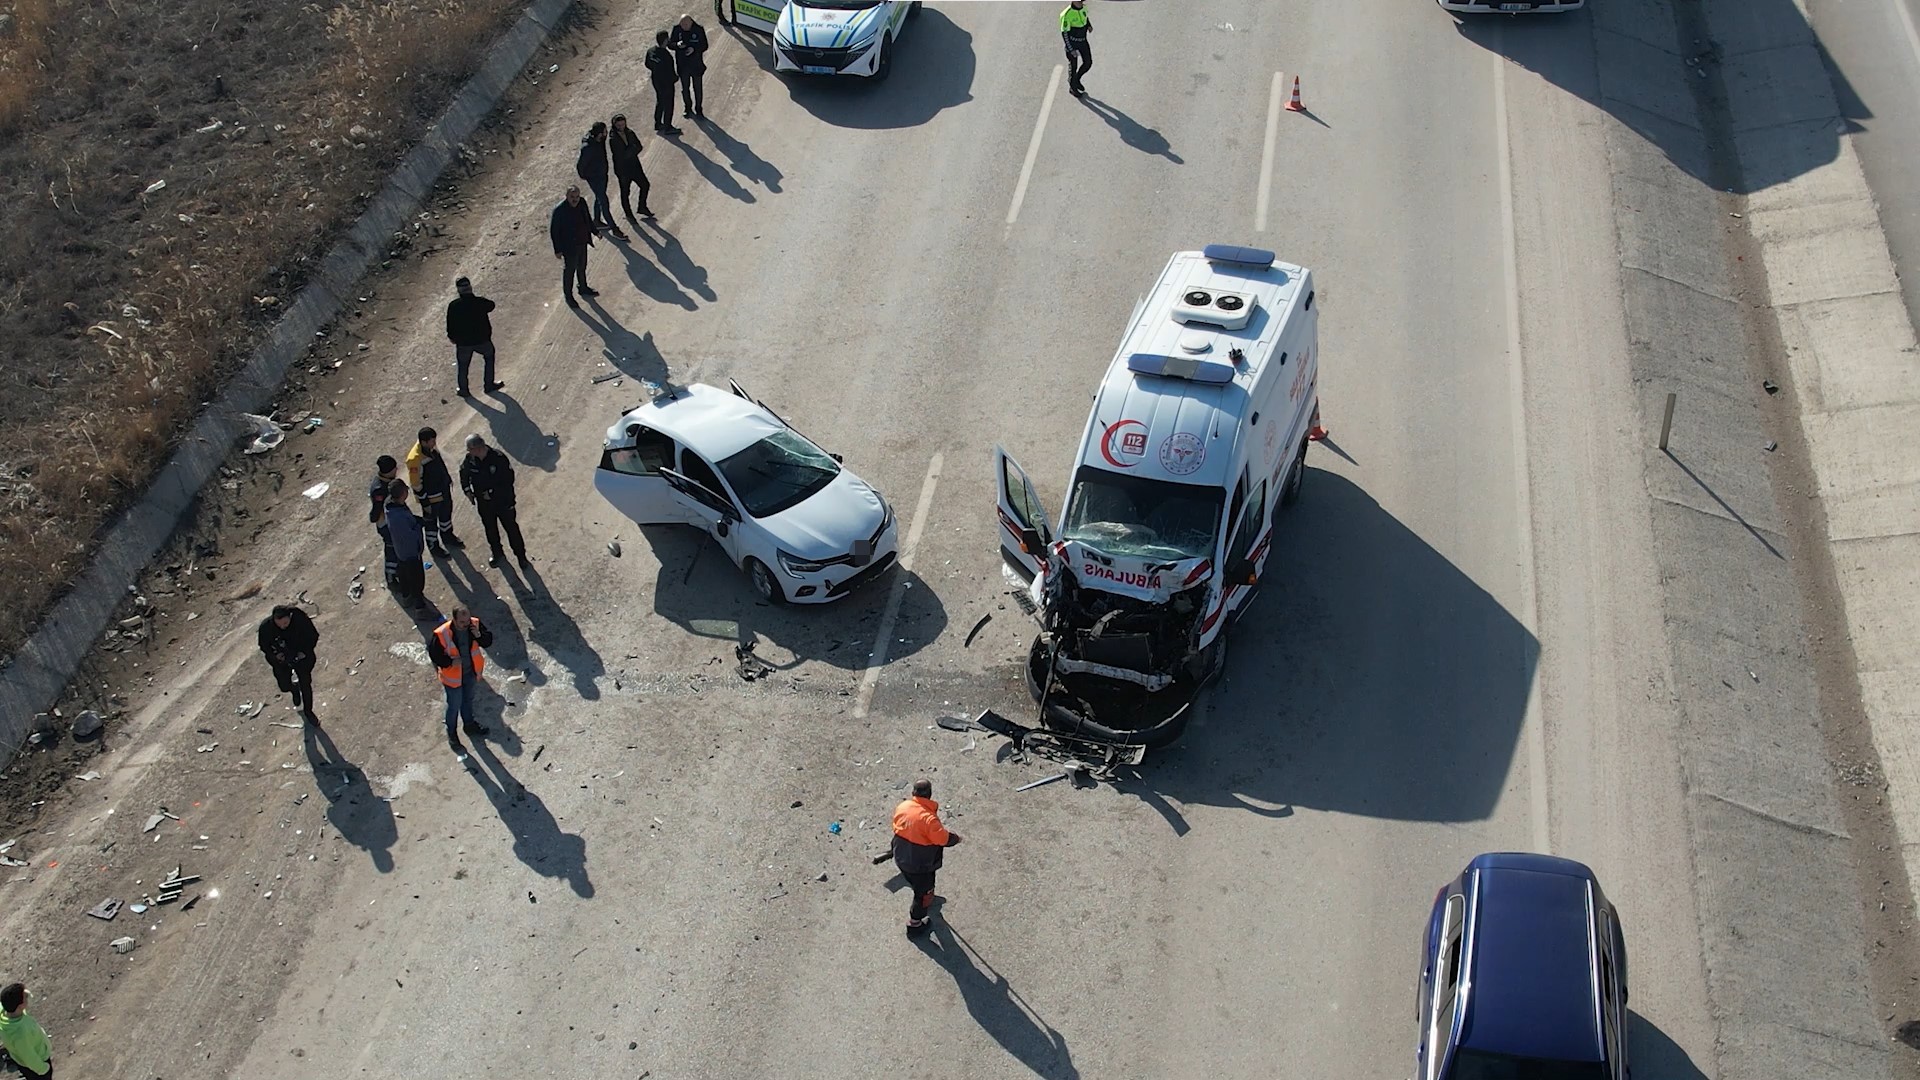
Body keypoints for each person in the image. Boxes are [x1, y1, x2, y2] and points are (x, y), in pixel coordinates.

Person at [891, 778, 962, 937]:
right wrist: (956, 839)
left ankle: (926, 895)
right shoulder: (929, 819)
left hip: (900, 854)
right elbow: (943, 839)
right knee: (922, 893)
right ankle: (914, 924)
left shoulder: (903, 806)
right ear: (929, 795)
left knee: (914, 881)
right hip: (920, 864)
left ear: (913, 793)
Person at [429, 606, 494, 756]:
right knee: (454, 706)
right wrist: (450, 662)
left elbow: (488, 641)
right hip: (453, 678)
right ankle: (452, 733)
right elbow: (435, 656)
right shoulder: (442, 633)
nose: (466, 624)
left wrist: (478, 635)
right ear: (455, 620)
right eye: (462, 622)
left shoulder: (474, 625)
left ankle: (469, 725)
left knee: (468, 700)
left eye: (467, 620)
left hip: (470, 673)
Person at [460, 434, 529, 570]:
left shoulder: (498, 458)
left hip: (503, 502)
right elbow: (464, 474)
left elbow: (508, 480)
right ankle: (497, 553)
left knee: (511, 529)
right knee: (490, 529)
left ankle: (521, 556)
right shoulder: (470, 460)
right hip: (484, 504)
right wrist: (467, 490)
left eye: (470, 450)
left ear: (479, 448)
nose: (469, 453)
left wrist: (491, 492)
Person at [256, 604, 320, 724]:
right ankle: (294, 689)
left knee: (305, 683)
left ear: (290, 617)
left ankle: (308, 711)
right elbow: (263, 646)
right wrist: (275, 655)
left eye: (285, 623)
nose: (283, 627)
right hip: (282, 660)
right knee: (284, 686)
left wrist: (304, 652)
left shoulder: (300, 619)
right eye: (279, 624)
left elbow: (313, 636)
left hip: (301, 656)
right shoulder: (266, 627)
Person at [407, 426, 465, 556]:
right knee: (431, 522)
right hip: (431, 497)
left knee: (446, 516)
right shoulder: (415, 459)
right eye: (432, 441)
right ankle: (434, 546)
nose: (435, 443)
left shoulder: (429, 448)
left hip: (442, 490)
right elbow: (415, 483)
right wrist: (425, 502)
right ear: (424, 442)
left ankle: (448, 537)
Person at [446, 276, 503, 397]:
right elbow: (491, 305)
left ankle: (464, 390)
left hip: (463, 343)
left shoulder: (454, 305)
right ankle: (488, 385)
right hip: (482, 340)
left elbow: (450, 324)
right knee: (489, 358)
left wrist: (452, 337)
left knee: (463, 366)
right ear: (470, 287)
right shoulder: (479, 302)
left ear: (458, 290)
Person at [575, 121, 629, 242]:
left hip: (602, 175)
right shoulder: (588, 148)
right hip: (594, 177)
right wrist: (584, 175)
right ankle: (614, 229)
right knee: (603, 201)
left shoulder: (600, 140)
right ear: (599, 134)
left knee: (599, 197)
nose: (606, 133)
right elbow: (580, 165)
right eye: (604, 131)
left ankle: (597, 221)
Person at [550, 185, 600, 308]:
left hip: (582, 242)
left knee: (582, 266)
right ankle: (568, 295)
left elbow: (587, 218)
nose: (575, 199)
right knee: (570, 271)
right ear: (566, 196)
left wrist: (595, 231)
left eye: (577, 196)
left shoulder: (582, 202)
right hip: (569, 246)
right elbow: (554, 231)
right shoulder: (559, 211)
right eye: (572, 197)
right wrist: (557, 250)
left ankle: (583, 287)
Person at [384, 480, 429, 611]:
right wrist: (417, 525)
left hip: (401, 552)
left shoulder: (392, 507)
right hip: (409, 553)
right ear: (403, 494)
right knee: (417, 580)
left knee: (404, 576)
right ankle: (420, 608)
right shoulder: (398, 516)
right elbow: (408, 536)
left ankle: (407, 596)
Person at [609, 114, 656, 224]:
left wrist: (631, 150)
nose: (621, 126)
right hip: (623, 171)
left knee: (645, 185)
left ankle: (642, 206)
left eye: (623, 124)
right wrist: (632, 149)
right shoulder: (613, 139)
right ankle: (629, 214)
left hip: (635, 166)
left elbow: (639, 146)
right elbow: (621, 155)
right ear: (614, 125)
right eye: (619, 125)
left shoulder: (629, 133)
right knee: (625, 193)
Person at [0, 982, 52, 1080]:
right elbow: (29, 1057)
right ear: (19, 1006)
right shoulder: (20, 1034)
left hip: (21, 1061)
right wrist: (44, 1069)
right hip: (37, 1066)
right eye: (25, 998)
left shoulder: (4, 1012)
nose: (27, 997)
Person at [368, 454, 401, 587]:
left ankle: (397, 571)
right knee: (391, 550)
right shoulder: (379, 490)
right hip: (386, 525)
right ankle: (391, 577)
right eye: (394, 468)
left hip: (393, 522)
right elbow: (376, 513)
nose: (396, 470)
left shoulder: (386, 482)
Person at [670, 14, 709, 119]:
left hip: (696, 65)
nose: (683, 26)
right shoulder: (676, 29)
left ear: (691, 22)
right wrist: (677, 45)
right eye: (682, 24)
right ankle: (688, 108)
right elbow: (670, 44)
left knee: (698, 88)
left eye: (686, 24)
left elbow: (705, 45)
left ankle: (699, 109)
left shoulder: (698, 29)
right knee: (685, 89)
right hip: (683, 66)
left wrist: (694, 49)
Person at [646, 30, 681, 135]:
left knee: (660, 101)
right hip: (667, 84)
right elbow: (670, 72)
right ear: (665, 40)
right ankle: (668, 126)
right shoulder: (666, 56)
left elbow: (647, 64)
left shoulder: (651, 51)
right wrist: (675, 78)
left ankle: (658, 123)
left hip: (656, 81)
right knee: (668, 104)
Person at [1060, 0, 1093, 98]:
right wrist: (1070, 49)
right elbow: (1065, 34)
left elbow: (1085, 17)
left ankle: (1077, 79)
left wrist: (1089, 25)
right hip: (1073, 43)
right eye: (1079, 1)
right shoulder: (1067, 14)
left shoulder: (1084, 8)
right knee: (1073, 67)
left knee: (1088, 63)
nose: (1081, 2)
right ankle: (1073, 87)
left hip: (1083, 41)